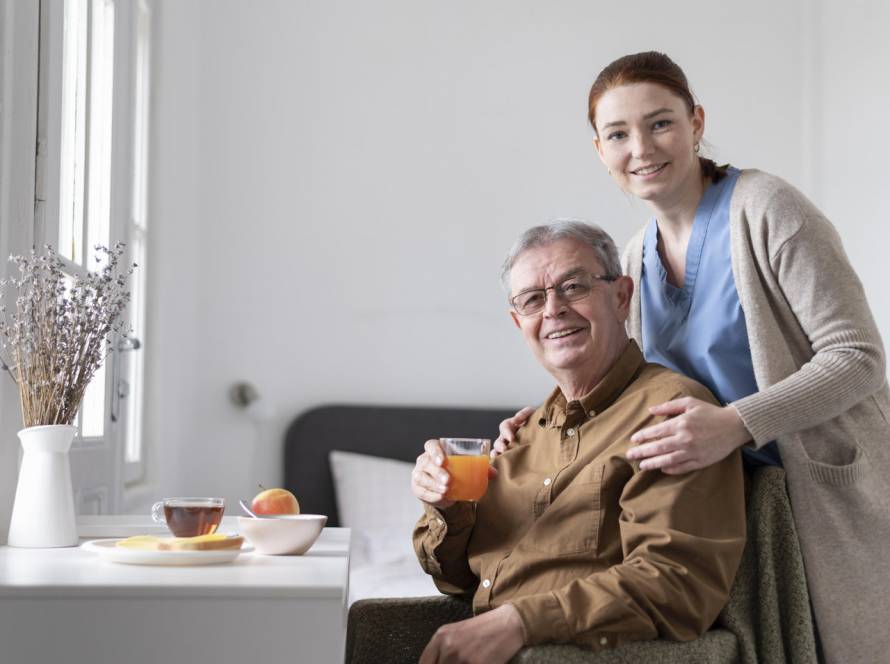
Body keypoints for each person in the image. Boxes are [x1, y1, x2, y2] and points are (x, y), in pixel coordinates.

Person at [495, 52, 890, 664]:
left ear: (696, 123)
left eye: (660, 124)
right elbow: (620, 386)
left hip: (825, 496)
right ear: (600, 150)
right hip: (730, 507)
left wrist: (735, 424)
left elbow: (860, 357)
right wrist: (539, 426)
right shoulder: (631, 261)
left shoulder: (766, 210)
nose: (642, 148)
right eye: (619, 134)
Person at [410, 221, 746, 664]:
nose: (553, 310)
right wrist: (447, 505)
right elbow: (459, 580)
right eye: (532, 299)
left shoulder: (672, 412)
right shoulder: (523, 435)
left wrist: (520, 622)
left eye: (573, 286)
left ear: (621, 296)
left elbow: (676, 584)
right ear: (519, 322)